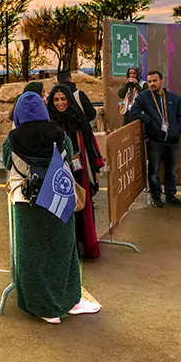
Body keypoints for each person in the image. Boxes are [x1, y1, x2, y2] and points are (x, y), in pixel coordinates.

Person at [2, 92, 102, 323]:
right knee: (63, 250)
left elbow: (7, 160)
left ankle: (43, 307)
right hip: (58, 197)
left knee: (31, 253)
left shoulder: (12, 139)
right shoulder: (59, 134)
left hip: (26, 203)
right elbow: (67, 157)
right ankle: (71, 300)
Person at [48, 82, 104, 260]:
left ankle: (82, 245)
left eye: (63, 99)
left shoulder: (78, 118)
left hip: (79, 171)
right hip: (59, 173)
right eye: (56, 99)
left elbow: (90, 141)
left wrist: (96, 167)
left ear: (69, 99)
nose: (60, 103)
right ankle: (66, 248)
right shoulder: (49, 123)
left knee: (82, 209)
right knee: (62, 209)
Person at [124, 69, 181, 208]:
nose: (152, 84)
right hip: (155, 140)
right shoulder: (144, 97)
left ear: (161, 81)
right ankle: (155, 195)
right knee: (154, 170)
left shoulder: (174, 98)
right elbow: (134, 112)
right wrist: (150, 121)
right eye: (150, 81)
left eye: (154, 81)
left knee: (172, 170)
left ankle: (170, 195)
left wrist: (179, 129)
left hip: (173, 140)